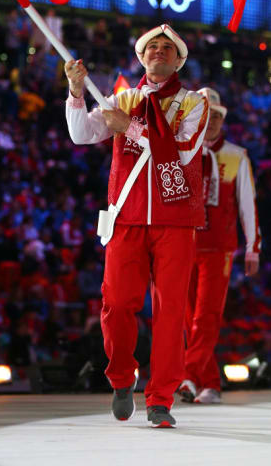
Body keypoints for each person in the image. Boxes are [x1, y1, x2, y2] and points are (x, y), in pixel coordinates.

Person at [65, 24, 208, 428]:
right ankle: (121, 377)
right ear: (142, 57)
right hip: (126, 216)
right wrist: (76, 92)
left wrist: (126, 126)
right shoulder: (122, 98)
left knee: (170, 312)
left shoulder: (193, 103)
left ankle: (161, 398)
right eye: (152, 47)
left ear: (179, 60)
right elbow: (81, 133)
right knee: (115, 306)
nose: (159, 51)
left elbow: (182, 151)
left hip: (176, 220)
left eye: (167, 48)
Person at [179, 87, 261, 405]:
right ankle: (210, 383)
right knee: (189, 319)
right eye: (205, 115)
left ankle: (186, 374)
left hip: (219, 248)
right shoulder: (181, 153)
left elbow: (248, 205)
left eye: (215, 116)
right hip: (183, 245)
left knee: (207, 316)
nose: (210, 121)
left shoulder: (237, 155)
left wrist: (253, 246)